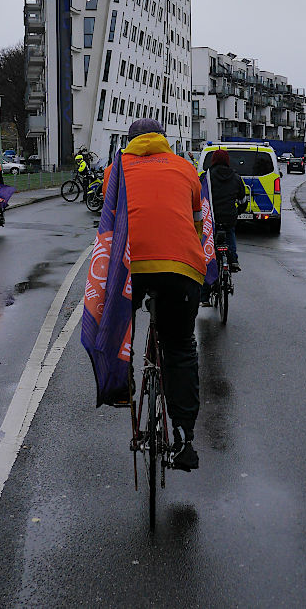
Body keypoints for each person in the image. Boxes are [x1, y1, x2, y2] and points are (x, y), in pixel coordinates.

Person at [117, 118, 206, 471]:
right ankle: (184, 440)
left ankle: (121, 386)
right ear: (163, 141)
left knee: (118, 331)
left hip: (130, 267)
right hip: (181, 269)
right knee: (181, 347)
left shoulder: (116, 170)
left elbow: (109, 227)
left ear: (129, 142)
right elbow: (199, 224)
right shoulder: (186, 169)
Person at [200, 149, 247, 306]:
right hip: (229, 217)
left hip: (211, 220)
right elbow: (242, 200)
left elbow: (199, 197)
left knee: (208, 255)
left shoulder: (206, 177)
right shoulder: (235, 177)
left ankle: (204, 297)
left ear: (213, 160)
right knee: (229, 233)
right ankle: (233, 260)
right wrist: (238, 211)